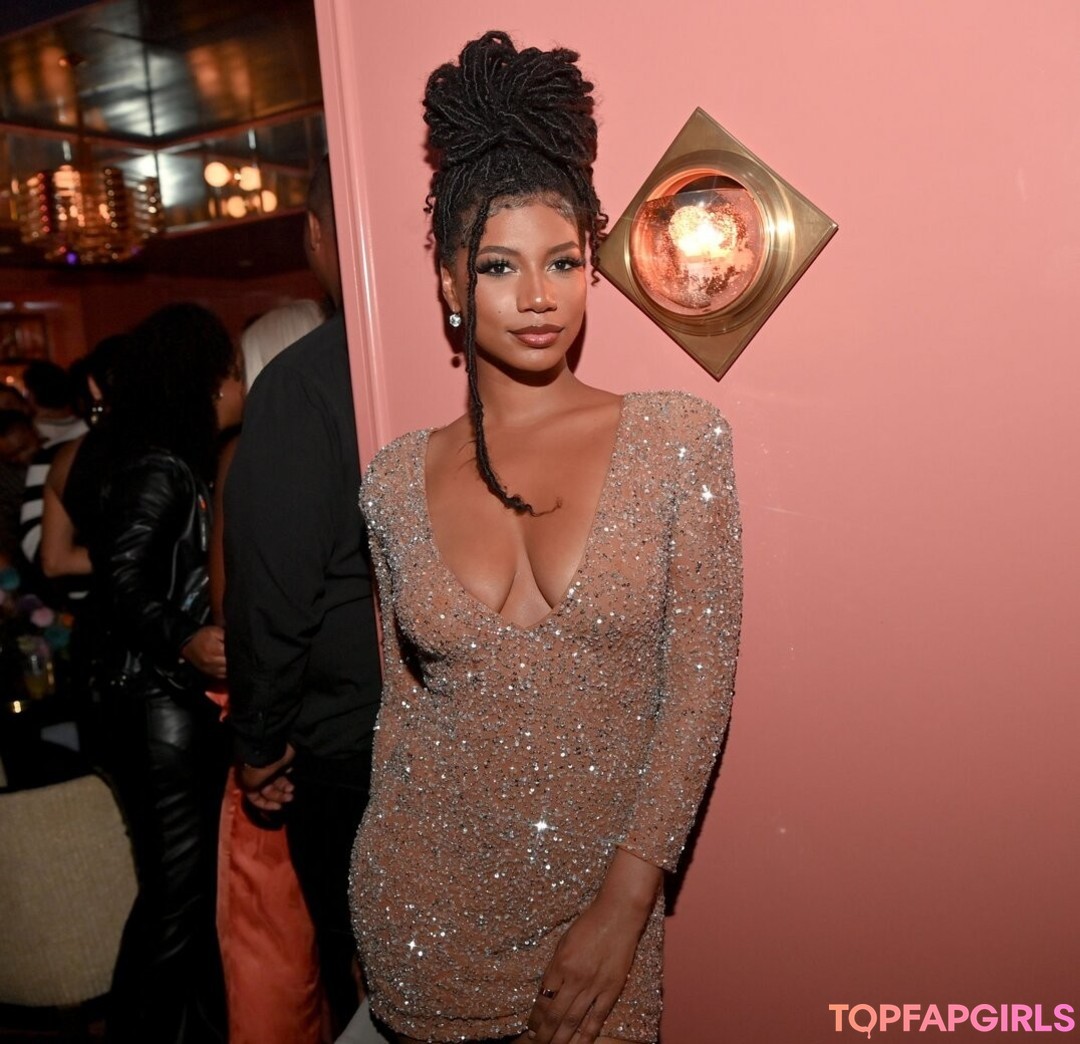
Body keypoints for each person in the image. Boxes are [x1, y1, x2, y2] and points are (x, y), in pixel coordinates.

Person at [350, 32, 742, 1044]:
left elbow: (699, 691)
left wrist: (626, 903)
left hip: (603, 920)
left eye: (563, 262)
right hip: (421, 918)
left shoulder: (675, 441)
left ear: (591, 271)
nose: (538, 297)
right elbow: (401, 714)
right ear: (449, 283)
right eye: (499, 266)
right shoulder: (393, 479)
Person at [224, 158, 382, 1039]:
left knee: (369, 978)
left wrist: (259, 740)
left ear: (316, 235)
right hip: (493, 728)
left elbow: (274, 592)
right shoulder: (494, 355)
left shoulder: (304, 383)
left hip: (351, 745)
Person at [94, 303, 243, 1044]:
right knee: (176, 899)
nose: (242, 388)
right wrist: (184, 638)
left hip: (164, 706)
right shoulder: (161, 468)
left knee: (186, 895)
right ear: (206, 382)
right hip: (157, 710)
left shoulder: (170, 462)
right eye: (235, 374)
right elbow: (120, 580)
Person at [209, 301, 327, 1044]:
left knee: (278, 936)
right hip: (359, 721)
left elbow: (239, 602)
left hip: (283, 723)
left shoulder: (250, 452)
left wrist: (258, 739)